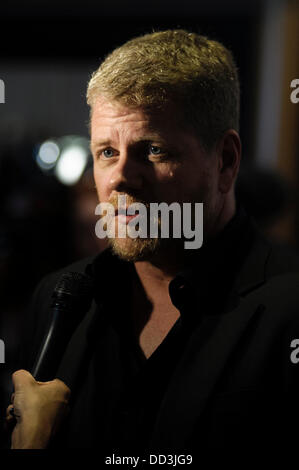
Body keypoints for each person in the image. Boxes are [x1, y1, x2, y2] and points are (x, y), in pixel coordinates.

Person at [5, 29, 299, 456]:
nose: (121, 177)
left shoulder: (288, 309)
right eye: (107, 152)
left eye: (154, 150)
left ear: (226, 160)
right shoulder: (59, 299)